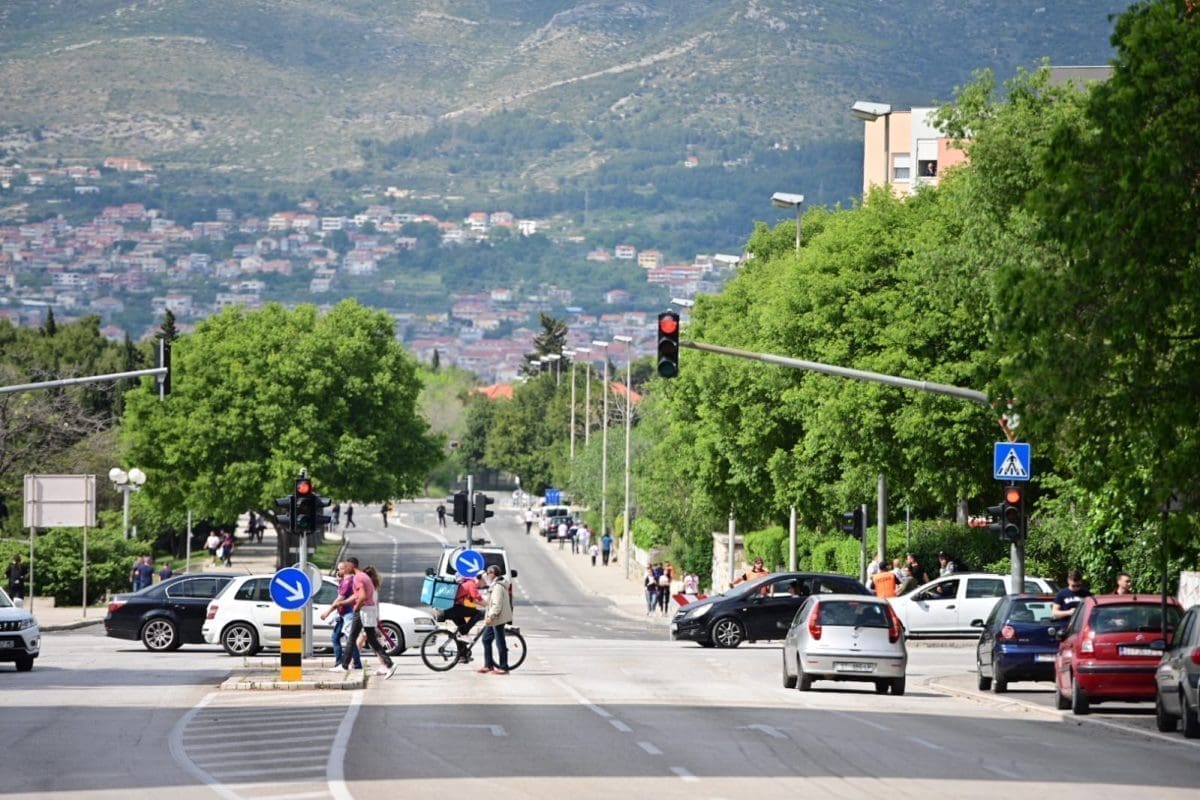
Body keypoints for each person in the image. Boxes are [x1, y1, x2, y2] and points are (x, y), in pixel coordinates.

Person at [330, 557, 395, 678]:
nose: (345, 569)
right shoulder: (363, 576)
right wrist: (343, 603)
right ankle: (389, 664)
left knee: (354, 638)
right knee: (365, 639)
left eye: (346, 567)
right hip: (367, 610)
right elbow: (356, 595)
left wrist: (356, 607)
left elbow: (362, 596)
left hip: (363, 611)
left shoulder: (358, 578)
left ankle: (344, 665)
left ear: (351, 566)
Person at [320, 560, 362, 670]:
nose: (338, 571)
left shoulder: (348, 582)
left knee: (349, 640)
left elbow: (339, 599)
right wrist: (339, 582)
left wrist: (327, 612)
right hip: (343, 614)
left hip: (348, 613)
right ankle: (344, 662)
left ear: (346, 569)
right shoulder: (346, 581)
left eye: (340, 569)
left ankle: (350, 664)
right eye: (338, 569)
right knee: (338, 638)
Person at [478, 564, 514, 675]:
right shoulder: (494, 584)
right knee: (486, 639)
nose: (487, 575)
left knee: (500, 642)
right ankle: (488, 665)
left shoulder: (498, 587)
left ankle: (504, 667)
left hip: (497, 618)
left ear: (494, 574)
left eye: (489, 573)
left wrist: (491, 616)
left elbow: (497, 604)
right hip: (494, 618)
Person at [446, 572, 487, 660]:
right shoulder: (471, 584)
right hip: (454, 609)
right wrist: (490, 606)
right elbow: (477, 597)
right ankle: (463, 632)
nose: (485, 584)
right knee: (479, 614)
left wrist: (487, 606)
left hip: (451, 608)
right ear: (479, 579)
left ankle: (462, 655)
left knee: (463, 632)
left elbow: (473, 600)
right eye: (484, 581)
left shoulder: (467, 583)